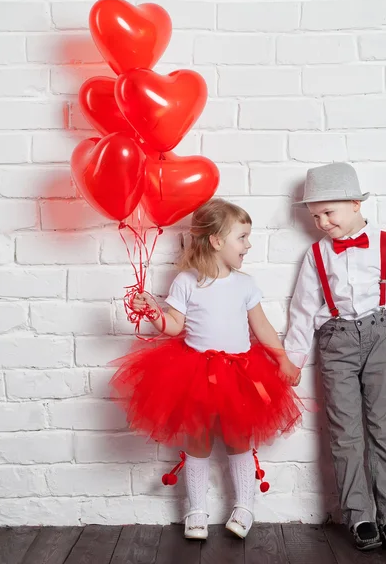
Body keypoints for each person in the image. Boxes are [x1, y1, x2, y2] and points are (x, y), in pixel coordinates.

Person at [111, 198, 302, 541]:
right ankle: (196, 510)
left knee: (238, 440)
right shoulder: (187, 282)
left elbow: (262, 328)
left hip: (240, 373)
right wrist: (154, 312)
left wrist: (283, 359)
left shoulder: (245, 284)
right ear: (216, 240)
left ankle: (245, 505)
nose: (248, 245)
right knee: (196, 440)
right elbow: (173, 326)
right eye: (242, 237)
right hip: (196, 373)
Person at [284, 163, 386, 552]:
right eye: (315, 216)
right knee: (345, 434)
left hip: (382, 337)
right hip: (336, 341)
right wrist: (294, 358)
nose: (322, 223)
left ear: (355, 204)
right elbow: (303, 309)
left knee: (385, 431)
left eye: (329, 213)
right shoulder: (315, 255)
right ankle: (359, 516)